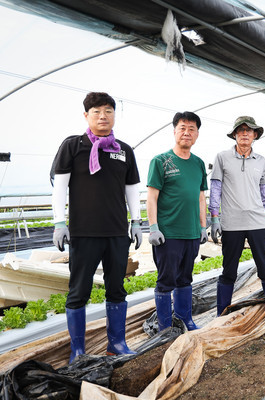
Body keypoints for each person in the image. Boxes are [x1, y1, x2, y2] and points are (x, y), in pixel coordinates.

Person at [51, 92, 141, 363]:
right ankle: (78, 350)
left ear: (114, 115)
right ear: (86, 115)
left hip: (116, 232)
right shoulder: (73, 146)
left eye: (108, 111)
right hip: (84, 232)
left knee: (117, 288)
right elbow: (60, 186)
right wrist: (59, 222)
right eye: (96, 111)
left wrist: (136, 222)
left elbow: (132, 189)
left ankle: (116, 343)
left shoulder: (123, 150)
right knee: (79, 290)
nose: (103, 116)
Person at [209, 116, 265, 330]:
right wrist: (214, 217)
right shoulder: (222, 158)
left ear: (255, 135)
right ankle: (221, 315)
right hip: (232, 223)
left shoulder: (261, 161)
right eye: (240, 130)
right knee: (229, 270)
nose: (244, 133)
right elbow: (215, 188)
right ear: (234, 134)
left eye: (249, 130)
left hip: (257, 222)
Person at [147, 111, 208, 332]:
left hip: (191, 233)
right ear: (174, 131)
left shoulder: (198, 163)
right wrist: (153, 227)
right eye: (182, 128)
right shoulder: (160, 161)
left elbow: (201, 197)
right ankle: (165, 327)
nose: (187, 132)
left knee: (185, 279)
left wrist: (203, 226)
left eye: (192, 129)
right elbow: (152, 197)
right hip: (168, 233)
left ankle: (185, 319)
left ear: (197, 134)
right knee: (166, 280)